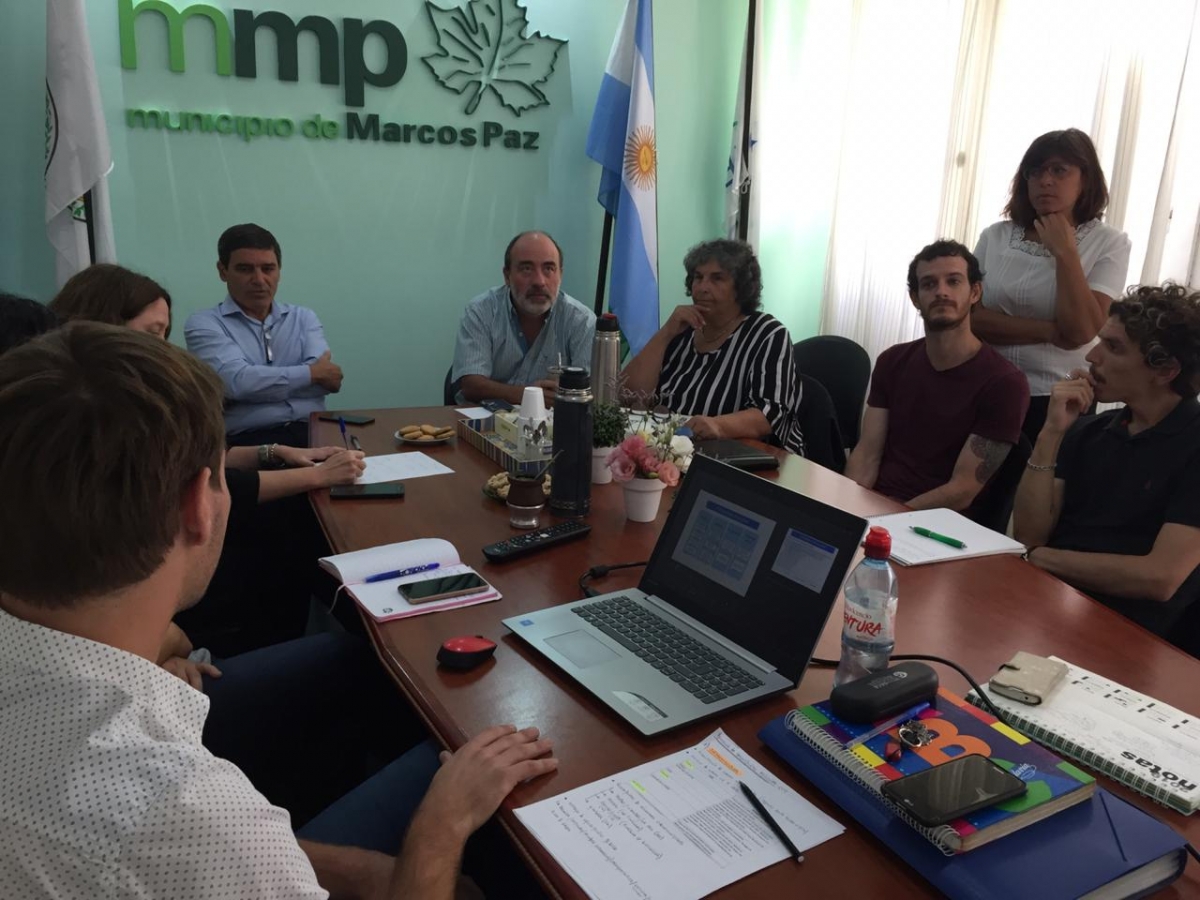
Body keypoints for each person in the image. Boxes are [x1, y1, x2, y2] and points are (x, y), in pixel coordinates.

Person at [0, 322, 557, 898]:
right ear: (200, 505)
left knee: (360, 664)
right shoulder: (189, 816)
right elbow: (202, 840)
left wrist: (359, 869)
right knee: (453, 761)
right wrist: (442, 828)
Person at [50, 261, 363, 652]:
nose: (163, 349)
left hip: (146, 622)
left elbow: (326, 377)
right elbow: (210, 463)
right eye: (153, 334)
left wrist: (275, 452)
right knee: (299, 535)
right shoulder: (102, 417)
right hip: (162, 623)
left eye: (164, 334)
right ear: (105, 328)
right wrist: (316, 476)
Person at [1013, 283, 1200, 653]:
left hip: (1133, 637)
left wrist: (1038, 558)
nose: (1093, 356)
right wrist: (1051, 433)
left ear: (1165, 369)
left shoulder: (1193, 444)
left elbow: (1160, 578)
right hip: (1050, 603)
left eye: (1113, 347)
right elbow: (1028, 531)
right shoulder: (1090, 429)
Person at [845, 241, 1030, 516]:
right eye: (929, 284)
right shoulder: (892, 361)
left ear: (975, 292)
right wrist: (845, 511)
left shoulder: (1005, 383)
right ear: (915, 298)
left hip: (940, 526)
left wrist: (886, 518)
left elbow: (962, 491)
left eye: (953, 281)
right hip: (876, 510)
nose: (941, 292)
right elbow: (866, 455)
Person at [972, 128, 1131, 442]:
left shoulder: (1109, 243)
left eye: (1059, 170)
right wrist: (1051, 331)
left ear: (1085, 178)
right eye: (1035, 172)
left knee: (1038, 486)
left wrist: (1065, 252)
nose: (1045, 180)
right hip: (986, 385)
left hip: (1059, 395)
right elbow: (971, 319)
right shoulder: (996, 236)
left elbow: (1083, 331)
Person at [620, 238, 805, 454]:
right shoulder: (682, 330)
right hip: (675, 452)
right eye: (698, 277)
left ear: (741, 288)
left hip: (748, 461)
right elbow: (629, 396)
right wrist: (665, 334)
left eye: (717, 279)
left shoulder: (768, 334)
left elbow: (769, 415)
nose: (702, 288)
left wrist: (717, 425)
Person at [185, 223, 345, 447]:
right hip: (247, 441)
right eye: (245, 269)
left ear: (279, 270)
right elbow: (236, 383)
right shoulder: (205, 324)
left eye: (268, 269)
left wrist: (251, 388)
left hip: (312, 432)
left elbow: (327, 381)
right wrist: (310, 374)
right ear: (223, 271)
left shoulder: (303, 318)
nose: (259, 280)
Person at [452, 230, 595, 405]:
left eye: (549, 268)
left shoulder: (582, 321)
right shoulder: (481, 311)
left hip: (555, 427)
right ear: (507, 275)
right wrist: (531, 396)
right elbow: (472, 386)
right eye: (526, 269)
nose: (539, 281)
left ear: (560, 275)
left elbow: (590, 392)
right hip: (484, 424)